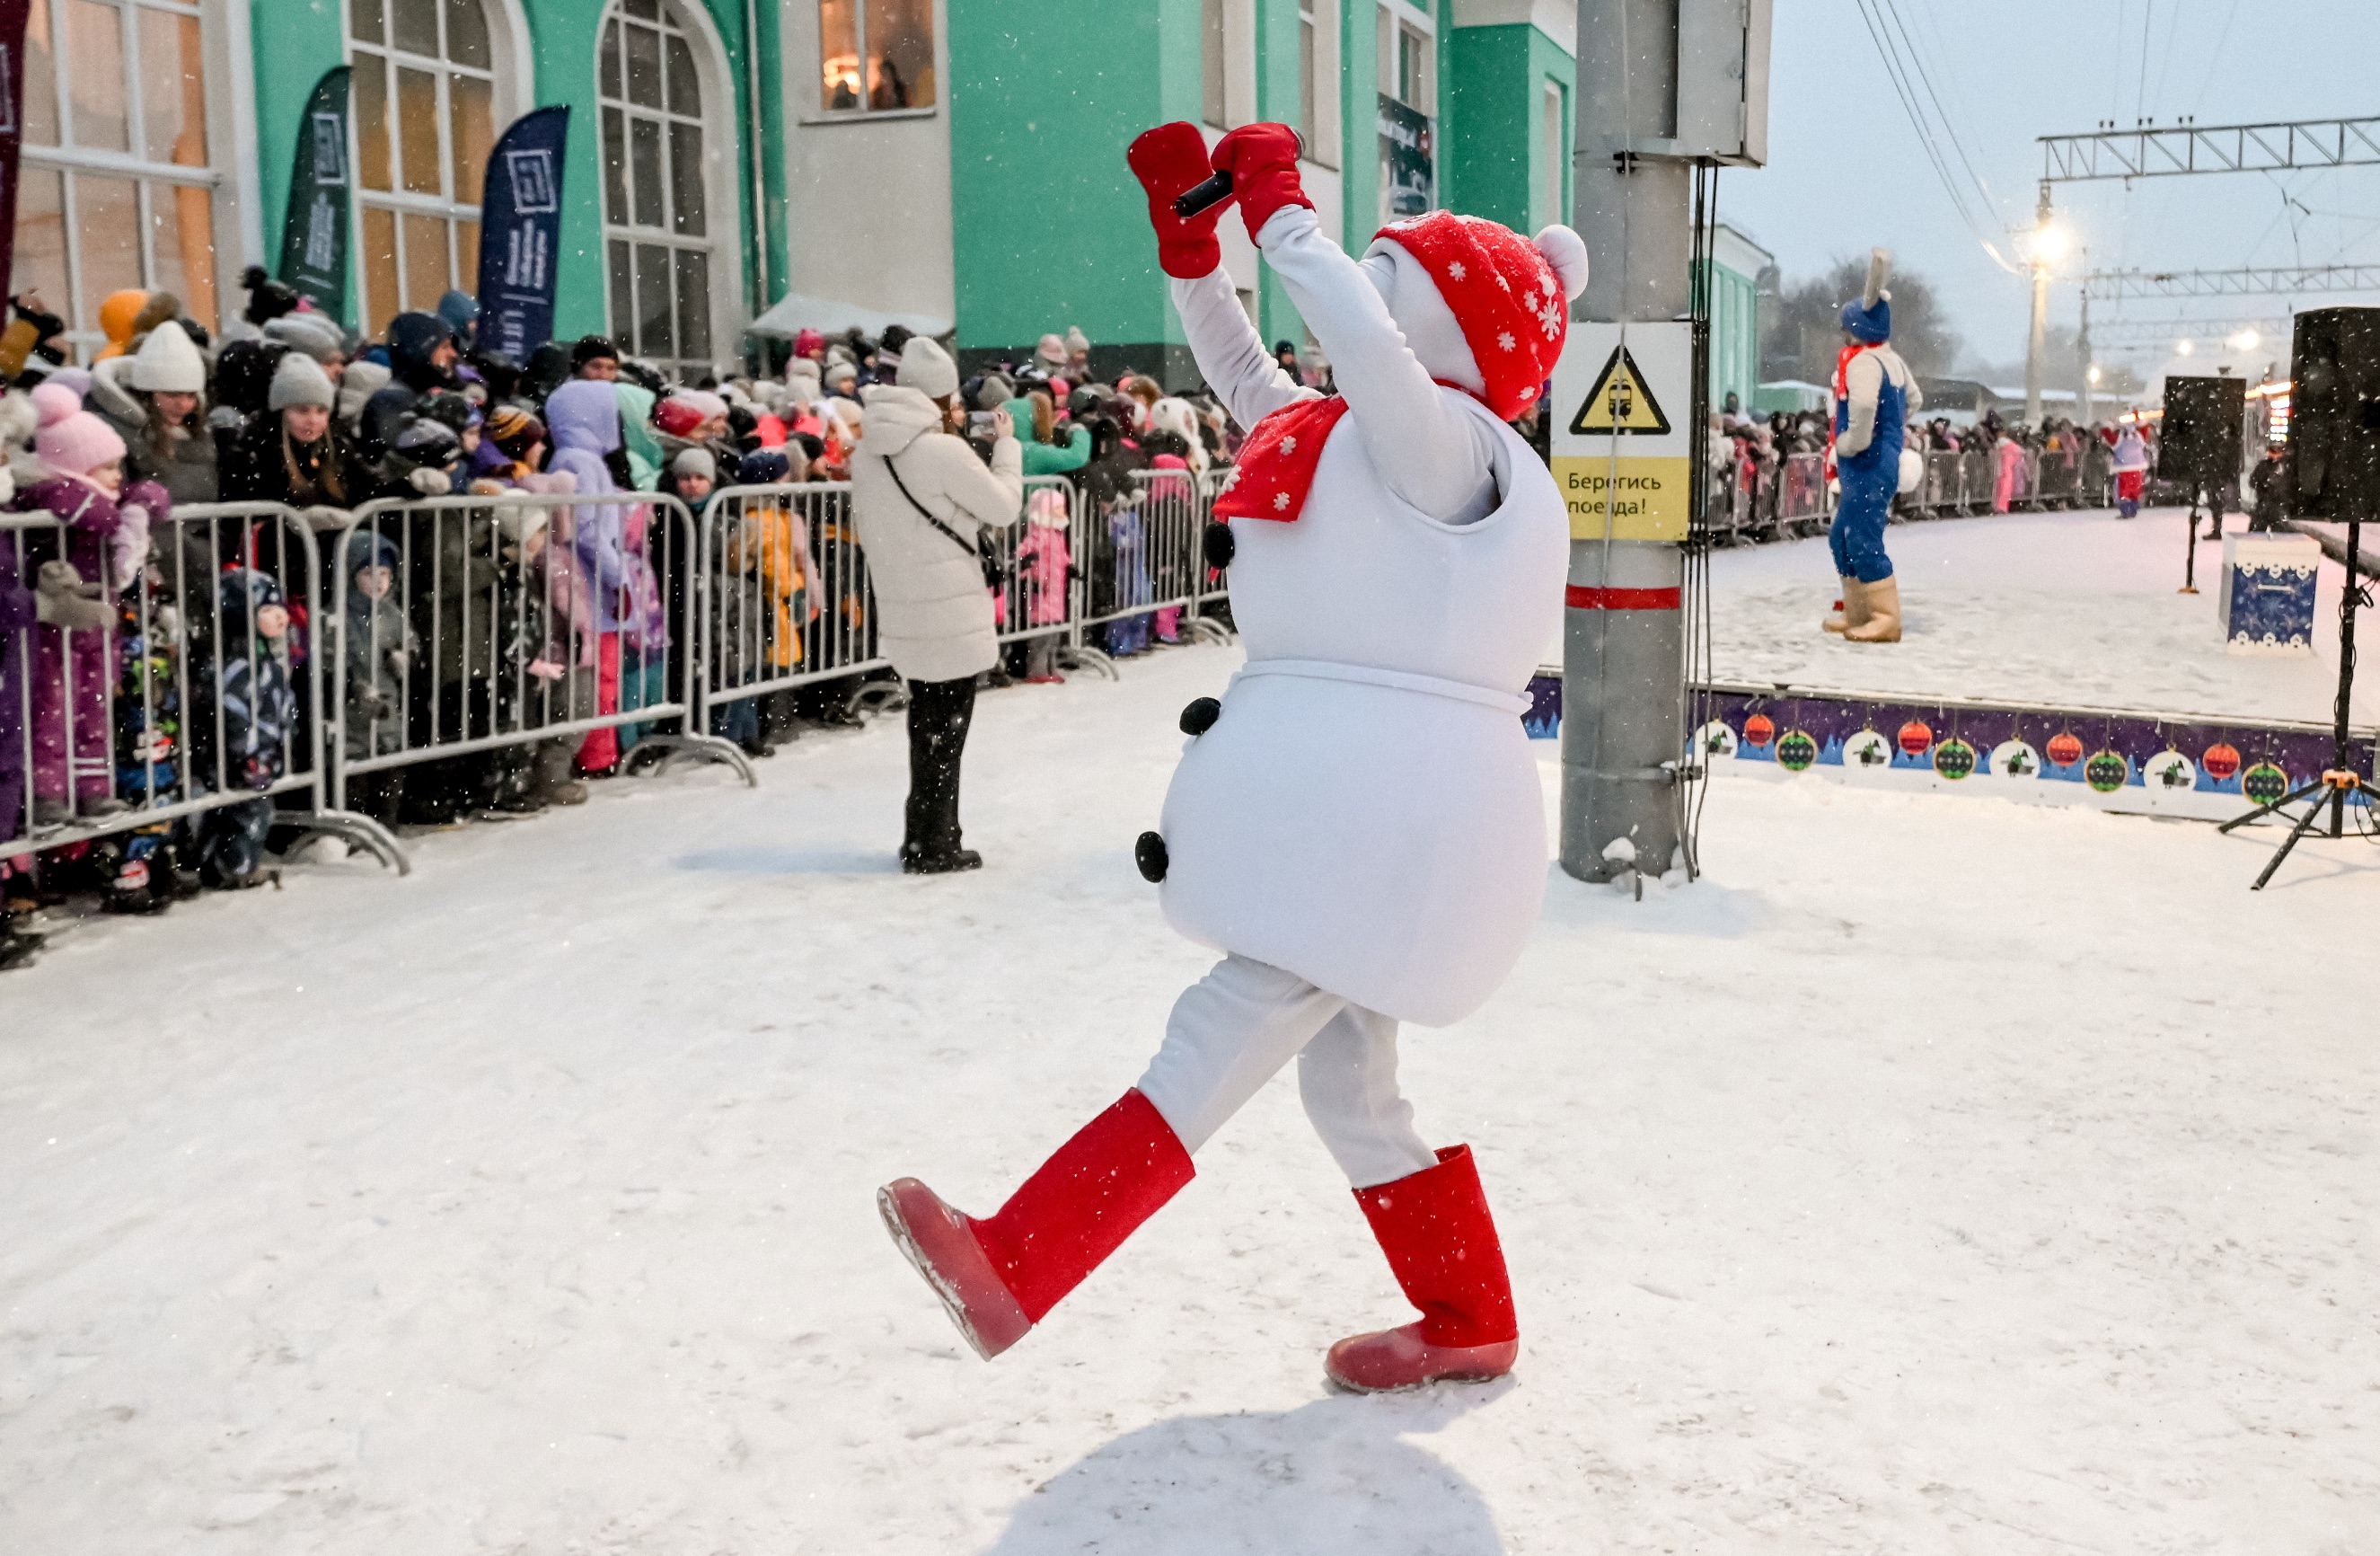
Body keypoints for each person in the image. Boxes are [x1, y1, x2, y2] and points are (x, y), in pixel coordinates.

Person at [879, 120, 1576, 1392]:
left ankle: (1018, 1260)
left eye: (1390, 286)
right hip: (1373, 817)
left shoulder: (1453, 448)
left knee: (1217, 1032)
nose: (1363, 304)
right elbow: (1239, 368)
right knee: (1351, 1091)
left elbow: (1360, 345)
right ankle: (1468, 1315)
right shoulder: (1352, 437)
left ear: (1453, 330)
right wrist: (1195, 258)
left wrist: (1285, 219)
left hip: (1389, 823)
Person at [848, 335, 1023, 872]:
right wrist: (1006, 449)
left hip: (903, 605)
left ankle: (921, 834)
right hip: (952, 610)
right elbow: (1004, 506)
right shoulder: (942, 451)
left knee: (925, 723)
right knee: (948, 729)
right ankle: (937, 842)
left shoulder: (867, 455)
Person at [1824, 250, 1917, 643]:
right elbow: (1914, 399)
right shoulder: (1892, 360)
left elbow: (1862, 407)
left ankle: (1883, 617)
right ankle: (1858, 611)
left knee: (1862, 537)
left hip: (1866, 462)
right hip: (1882, 459)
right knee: (1843, 536)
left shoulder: (1862, 363)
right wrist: (1893, 430)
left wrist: (1851, 442)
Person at [2111, 421, 2150, 519]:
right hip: (2137, 469)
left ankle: (2125, 511)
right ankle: (2133, 510)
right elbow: (2145, 428)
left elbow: (2111, 440)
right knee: (2135, 491)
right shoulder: (2138, 438)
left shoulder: (2120, 440)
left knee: (2123, 492)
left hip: (2123, 469)